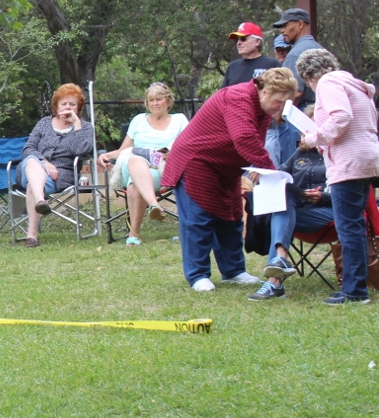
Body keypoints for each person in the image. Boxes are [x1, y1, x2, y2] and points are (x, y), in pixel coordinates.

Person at [161, 67, 297, 291]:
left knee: (231, 217)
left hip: (226, 167)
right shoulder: (238, 97)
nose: (280, 108)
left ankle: (233, 270)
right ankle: (197, 274)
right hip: (197, 161)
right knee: (199, 219)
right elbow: (244, 137)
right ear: (265, 92)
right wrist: (268, 168)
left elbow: (255, 140)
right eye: (279, 102)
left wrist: (259, 166)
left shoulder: (263, 109)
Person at [295, 49, 379, 305]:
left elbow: (341, 117)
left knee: (348, 226)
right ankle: (356, 286)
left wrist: (313, 138)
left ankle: (355, 291)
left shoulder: (328, 83)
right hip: (367, 158)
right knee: (355, 224)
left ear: (308, 75)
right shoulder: (354, 85)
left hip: (348, 162)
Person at [96, 82, 189, 246]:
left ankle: (134, 234)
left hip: (160, 169)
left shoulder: (180, 120)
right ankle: (153, 204)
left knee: (134, 186)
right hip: (129, 166)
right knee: (135, 159)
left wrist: (175, 152)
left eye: (159, 99)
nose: (155, 103)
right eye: (151, 100)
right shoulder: (138, 120)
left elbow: (190, 145)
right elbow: (123, 150)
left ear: (168, 101)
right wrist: (106, 156)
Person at [247, 130, 333, 301]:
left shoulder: (336, 151)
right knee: (283, 198)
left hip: (329, 213)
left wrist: (322, 196)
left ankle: (275, 279)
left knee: (281, 210)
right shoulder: (301, 152)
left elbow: (348, 193)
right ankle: (279, 264)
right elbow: (279, 174)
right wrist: (263, 173)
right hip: (299, 211)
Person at [17, 83, 94, 247]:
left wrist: (77, 125)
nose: (68, 107)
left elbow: (82, 151)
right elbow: (28, 148)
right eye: (64, 103)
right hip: (32, 168)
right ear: (56, 106)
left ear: (79, 108)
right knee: (31, 160)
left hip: (60, 176)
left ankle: (32, 235)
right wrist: (44, 163)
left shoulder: (85, 127)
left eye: (72, 104)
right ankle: (40, 200)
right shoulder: (44, 123)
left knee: (33, 185)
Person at [273, 8, 320, 105]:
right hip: (321, 109)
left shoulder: (295, 53)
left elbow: (296, 93)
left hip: (302, 111)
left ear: (300, 24)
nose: (282, 30)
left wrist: (281, 113)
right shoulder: (321, 49)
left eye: (285, 25)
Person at [221, 22, 279, 87]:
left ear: (257, 42)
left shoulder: (272, 64)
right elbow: (223, 92)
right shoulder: (232, 67)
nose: (238, 43)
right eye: (237, 40)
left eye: (243, 39)